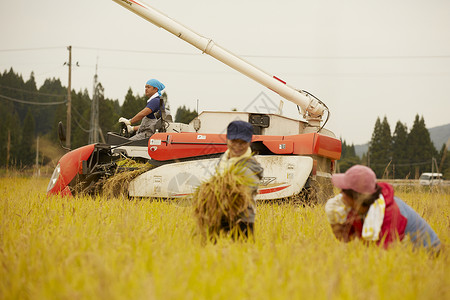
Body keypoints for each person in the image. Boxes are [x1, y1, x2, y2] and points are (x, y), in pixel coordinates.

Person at [325, 165, 441, 251]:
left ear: (355, 196)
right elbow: (345, 238)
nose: (340, 192)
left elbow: (385, 257)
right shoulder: (360, 208)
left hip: (429, 257)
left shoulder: (390, 214)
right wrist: (333, 219)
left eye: (344, 190)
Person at [216, 120, 263, 238]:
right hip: (219, 216)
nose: (237, 146)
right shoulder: (223, 159)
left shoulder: (251, 166)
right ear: (227, 139)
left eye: (242, 142)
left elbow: (247, 191)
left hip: (242, 220)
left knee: (240, 253)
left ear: (249, 142)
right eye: (234, 141)